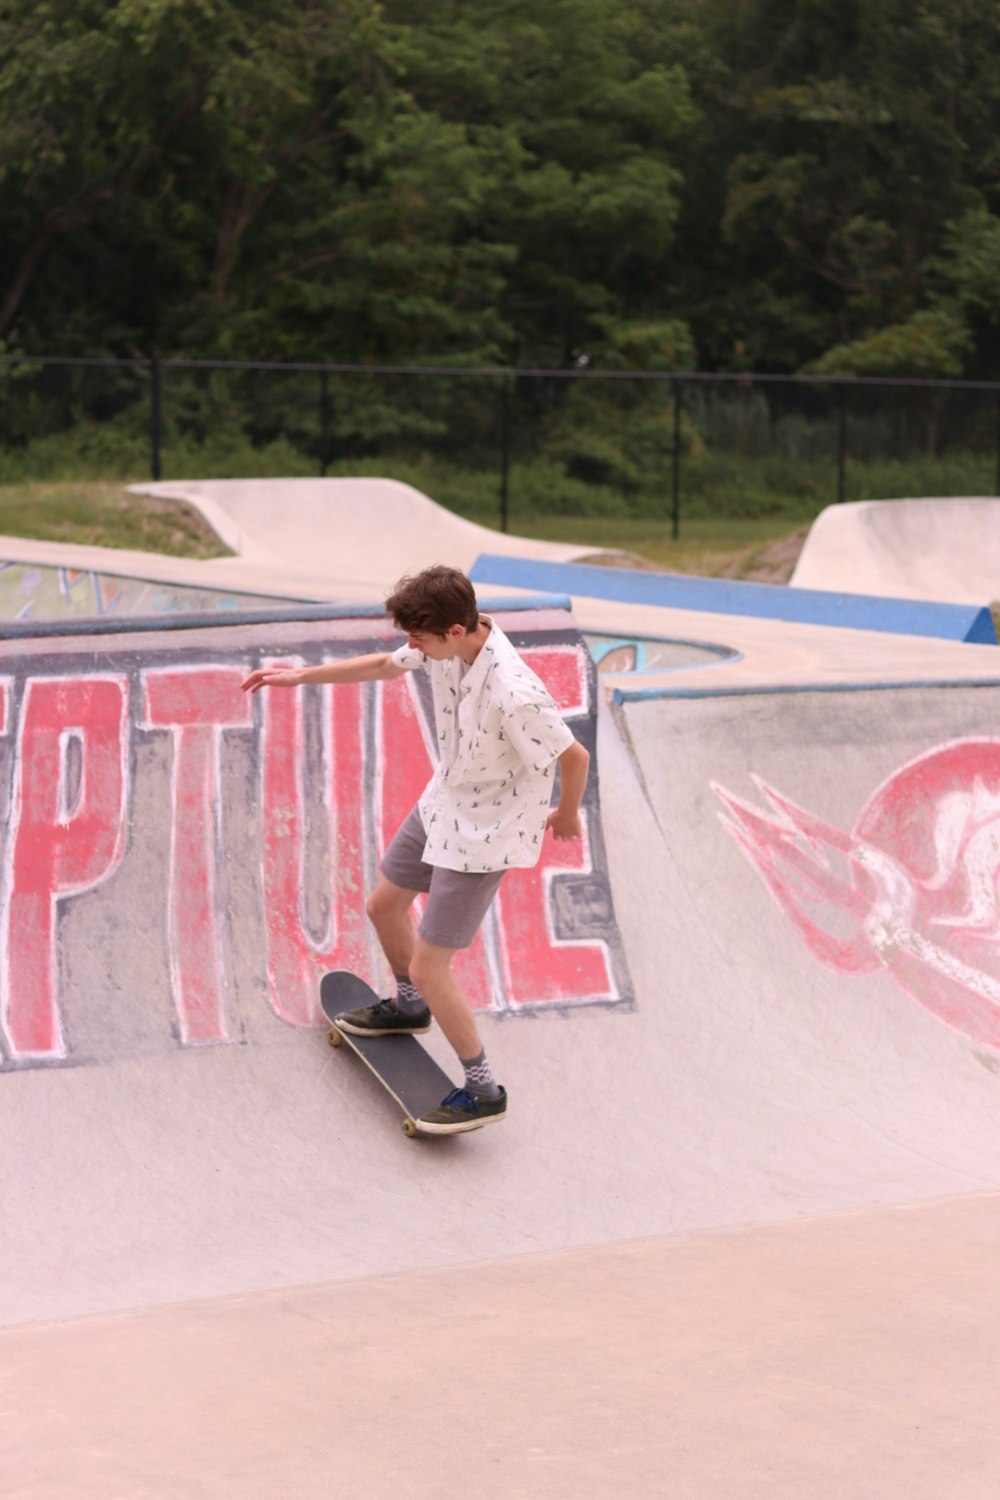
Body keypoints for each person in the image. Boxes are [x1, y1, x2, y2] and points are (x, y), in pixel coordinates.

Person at [241, 565, 590, 1134]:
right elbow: (384, 665)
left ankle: (483, 1089)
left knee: (433, 966)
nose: (412, 648)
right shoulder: (442, 646)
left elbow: (574, 757)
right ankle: (407, 1006)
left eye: (419, 638)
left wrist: (568, 813)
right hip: (445, 801)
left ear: (456, 630)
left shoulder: (515, 693)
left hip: (485, 835)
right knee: (383, 905)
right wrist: (298, 677)